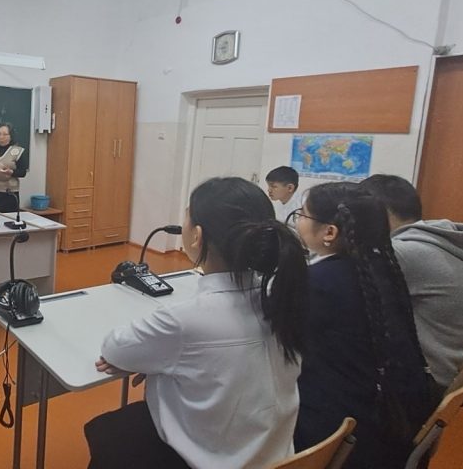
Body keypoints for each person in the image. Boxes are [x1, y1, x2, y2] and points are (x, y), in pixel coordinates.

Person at [86, 177, 309, 469]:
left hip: (212, 459)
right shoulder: (281, 298)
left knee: (106, 431)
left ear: (197, 236)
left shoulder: (185, 320)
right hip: (276, 454)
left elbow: (114, 349)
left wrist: (152, 363)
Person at [291, 182, 437, 469]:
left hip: (344, 430)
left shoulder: (318, 283)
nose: (298, 221)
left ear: (329, 232)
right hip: (390, 418)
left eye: (302, 215)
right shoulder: (382, 269)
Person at [359, 174, 463, 388]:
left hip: (433, 379)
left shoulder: (405, 252)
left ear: (379, 214)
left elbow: (346, 292)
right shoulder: (442, 240)